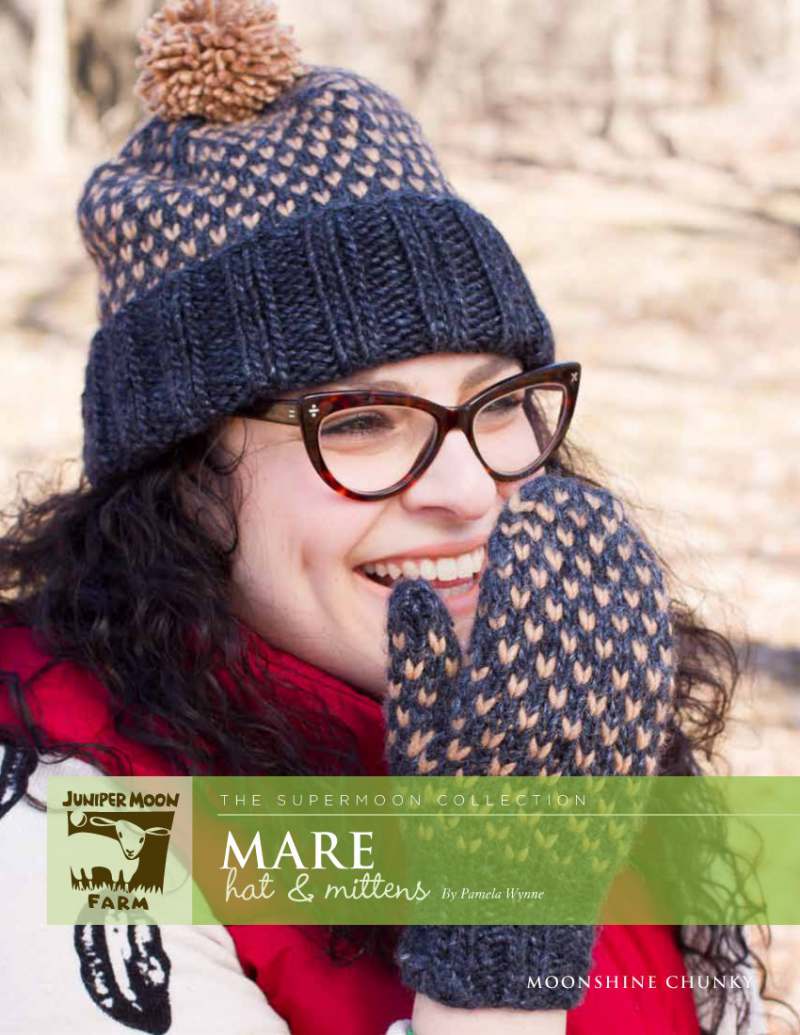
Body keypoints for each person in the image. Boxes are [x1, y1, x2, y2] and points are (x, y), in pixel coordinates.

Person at [0, 1, 773, 1033]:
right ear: (178, 481)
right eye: (361, 421)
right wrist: (499, 944)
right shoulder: (83, 813)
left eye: (496, 402)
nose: (468, 490)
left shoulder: (567, 688)